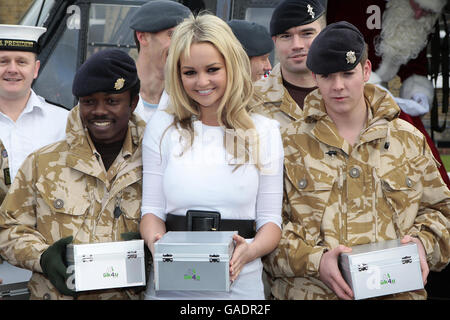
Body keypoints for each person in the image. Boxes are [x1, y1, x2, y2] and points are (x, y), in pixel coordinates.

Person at [263, 21, 450, 300]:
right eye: (327, 76)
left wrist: (424, 245)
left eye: (347, 73)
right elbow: (267, 230)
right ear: (315, 77)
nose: (338, 86)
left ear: (365, 71)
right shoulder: (286, 145)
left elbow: (442, 213)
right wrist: (317, 261)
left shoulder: (408, 139)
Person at [139, 13, 284, 300]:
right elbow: (151, 211)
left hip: (239, 287)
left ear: (231, 66)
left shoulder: (264, 131)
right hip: (170, 287)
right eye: (189, 72)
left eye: (213, 69)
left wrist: (249, 251)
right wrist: (157, 245)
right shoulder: (161, 127)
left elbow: (270, 222)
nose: (201, 82)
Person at [0, 49, 146, 300]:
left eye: (112, 101)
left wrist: (150, 250)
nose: (99, 111)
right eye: (88, 102)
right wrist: (43, 257)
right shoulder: (43, 163)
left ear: (132, 102)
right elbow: (9, 227)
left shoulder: (156, 164)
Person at [326, 0, 450, 190]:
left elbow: (414, 65)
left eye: (425, 11)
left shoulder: (418, 19)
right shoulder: (355, 8)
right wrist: (374, 90)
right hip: (346, 93)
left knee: (420, 150)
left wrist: (418, 92)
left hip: (381, 97)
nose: (419, 15)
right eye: (418, 7)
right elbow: (340, 54)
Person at [0, 24, 69, 187]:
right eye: (3, 61)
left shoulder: (63, 122)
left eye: (21, 62)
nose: (12, 69)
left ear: (35, 69)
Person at [252, 0, 326, 127]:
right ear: (274, 42)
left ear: (325, 36)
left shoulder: (351, 95)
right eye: (286, 36)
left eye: (307, 34)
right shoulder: (251, 101)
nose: (297, 45)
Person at [129, 0, 191, 122]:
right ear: (142, 37)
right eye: (172, 35)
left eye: (184, 38)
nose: (181, 45)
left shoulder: (191, 99)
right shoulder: (113, 92)